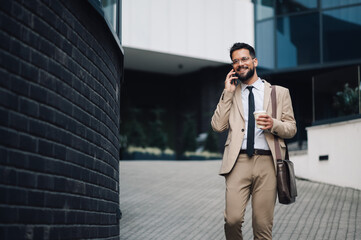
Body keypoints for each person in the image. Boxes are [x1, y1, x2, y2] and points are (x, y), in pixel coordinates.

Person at [211, 42, 297, 240]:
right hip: (237, 162)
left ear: (254, 61)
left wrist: (273, 123)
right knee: (232, 220)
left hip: (268, 163)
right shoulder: (230, 93)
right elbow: (217, 126)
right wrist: (227, 93)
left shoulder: (279, 93)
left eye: (244, 59)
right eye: (235, 61)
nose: (240, 64)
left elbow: (291, 128)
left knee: (262, 226)